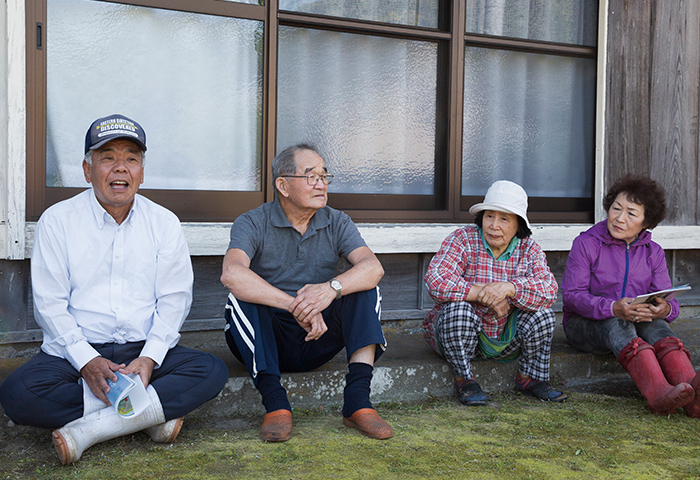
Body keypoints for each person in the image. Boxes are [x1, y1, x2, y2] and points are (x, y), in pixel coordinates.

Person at [0, 114, 229, 464]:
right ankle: (150, 413)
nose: (120, 168)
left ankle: (90, 431)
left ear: (141, 170)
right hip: (75, 352)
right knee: (18, 395)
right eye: (107, 157)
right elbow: (50, 305)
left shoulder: (164, 223)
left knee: (211, 371)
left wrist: (150, 358)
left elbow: (174, 301)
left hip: (141, 351)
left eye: (131, 158)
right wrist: (87, 361)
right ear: (87, 169)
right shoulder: (58, 221)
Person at [221, 143, 392, 442]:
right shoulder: (252, 222)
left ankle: (357, 400)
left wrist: (330, 289)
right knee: (242, 296)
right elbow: (232, 274)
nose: (321, 183)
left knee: (365, 289)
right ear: (283, 185)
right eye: (311, 176)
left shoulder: (337, 221)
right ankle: (275, 404)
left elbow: (373, 267)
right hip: (267, 338)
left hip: (317, 335)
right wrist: (294, 306)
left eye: (325, 176)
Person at [562, 174, 699, 416]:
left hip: (634, 321)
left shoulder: (653, 252)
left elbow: (669, 300)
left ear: (646, 222)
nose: (619, 218)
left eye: (631, 213)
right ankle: (657, 393)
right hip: (584, 326)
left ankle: (693, 398)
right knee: (617, 323)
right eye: (616, 208)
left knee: (658, 325)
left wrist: (664, 309)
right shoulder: (586, 244)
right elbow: (572, 296)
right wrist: (613, 308)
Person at [423, 180, 566, 406]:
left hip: (504, 336)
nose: (493, 225)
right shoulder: (463, 239)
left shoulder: (529, 248)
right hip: (461, 336)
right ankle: (464, 378)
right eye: (489, 216)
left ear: (518, 225)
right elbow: (436, 279)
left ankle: (528, 377)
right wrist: (482, 293)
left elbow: (549, 290)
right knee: (457, 311)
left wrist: (510, 288)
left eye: (504, 219)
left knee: (544, 315)